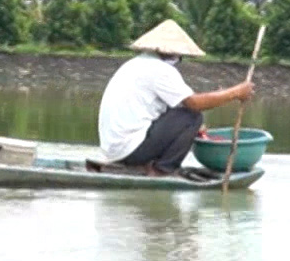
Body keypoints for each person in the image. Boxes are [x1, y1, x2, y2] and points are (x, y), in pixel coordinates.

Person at [92, 19, 254, 175]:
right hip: (128, 149)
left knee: (186, 116)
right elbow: (194, 104)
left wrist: (221, 96)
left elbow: (173, 106)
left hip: (113, 150)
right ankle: (163, 169)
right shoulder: (161, 70)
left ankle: (150, 163)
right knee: (192, 116)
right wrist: (235, 92)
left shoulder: (135, 64)